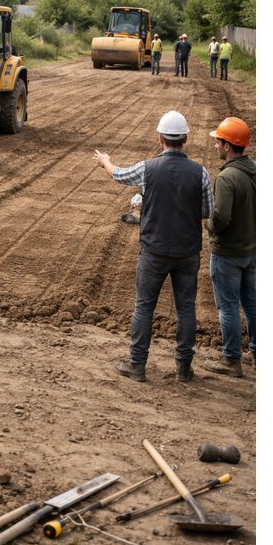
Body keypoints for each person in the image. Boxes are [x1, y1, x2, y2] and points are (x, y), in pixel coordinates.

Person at [93, 111, 214, 383]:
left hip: (154, 252)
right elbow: (207, 211)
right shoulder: (201, 173)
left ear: (160, 138)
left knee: (144, 307)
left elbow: (119, 175)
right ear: (185, 139)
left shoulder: (147, 168)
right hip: (187, 252)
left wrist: (106, 162)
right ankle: (184, 368)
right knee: (185, 309)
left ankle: (137, 365)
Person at [203, 117, 255, 377]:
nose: (215, 146)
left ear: (228, 146)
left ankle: (231, 360)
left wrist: (209, 227)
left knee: (228, 307)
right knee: (253, 304)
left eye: (217, 142)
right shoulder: (255, 171)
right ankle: (257, 354)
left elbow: (220, 218)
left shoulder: (227, 178)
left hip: (229, 254)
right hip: (253, 251)